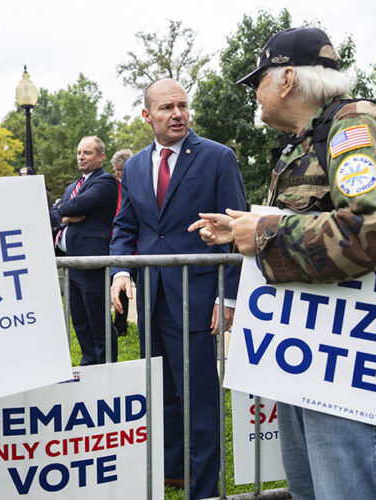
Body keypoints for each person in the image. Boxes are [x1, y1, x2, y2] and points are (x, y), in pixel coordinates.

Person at [189, 28, 376, 500]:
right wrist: (242, 230)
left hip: (358, 367)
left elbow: (374, 228)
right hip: (315, 361)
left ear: (287, 79)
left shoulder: (355, 125)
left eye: (258, 80)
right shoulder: (305, 142)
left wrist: (262, 235)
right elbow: (308, 223)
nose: (254, 93)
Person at [109, 78, 246, 498]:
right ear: (147, 116)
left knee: (200, 398)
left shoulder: (218, 159)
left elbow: (237, 229)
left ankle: (204, 488)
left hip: (199, 298)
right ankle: (172, 469)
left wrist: (227, 298)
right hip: (151, 298)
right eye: (167, 108)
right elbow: (125, 226)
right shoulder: (133, 167)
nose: (178, 114)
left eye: (183, 105)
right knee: (163, 392)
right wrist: (119, 271)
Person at [51, 136, 119, 364]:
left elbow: (75, 206)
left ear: (101, 156)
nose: (81, 157)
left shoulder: (105, 182)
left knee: (98, 319)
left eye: (87, 153)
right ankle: (89, 363)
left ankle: (107, 366)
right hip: (72, 263)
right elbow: (55, 213)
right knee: (79, 319)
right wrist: (64, 216)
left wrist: (62, 211)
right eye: (79, 152)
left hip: (91, 263)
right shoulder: (72, 186)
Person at [111, 148, 133, 337]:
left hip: (136, 246)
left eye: (121, 169)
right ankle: (119, 325)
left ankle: (124, 325)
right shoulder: (111, 186)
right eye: (116, 170)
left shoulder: (136, 184)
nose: (119, 173)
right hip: (117, 242)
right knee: (119, 285)